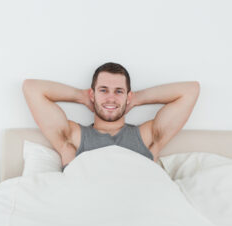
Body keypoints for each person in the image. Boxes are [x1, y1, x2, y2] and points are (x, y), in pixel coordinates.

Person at [22, 62, 200, 170]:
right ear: (93, 94)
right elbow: (32, 88)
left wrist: (136, 99)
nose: (111, 98)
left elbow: (190, 91)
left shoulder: (147, 137)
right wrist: (81, 96)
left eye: (119, 91)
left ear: (127, 96)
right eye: (103, 90)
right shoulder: (73, 137)